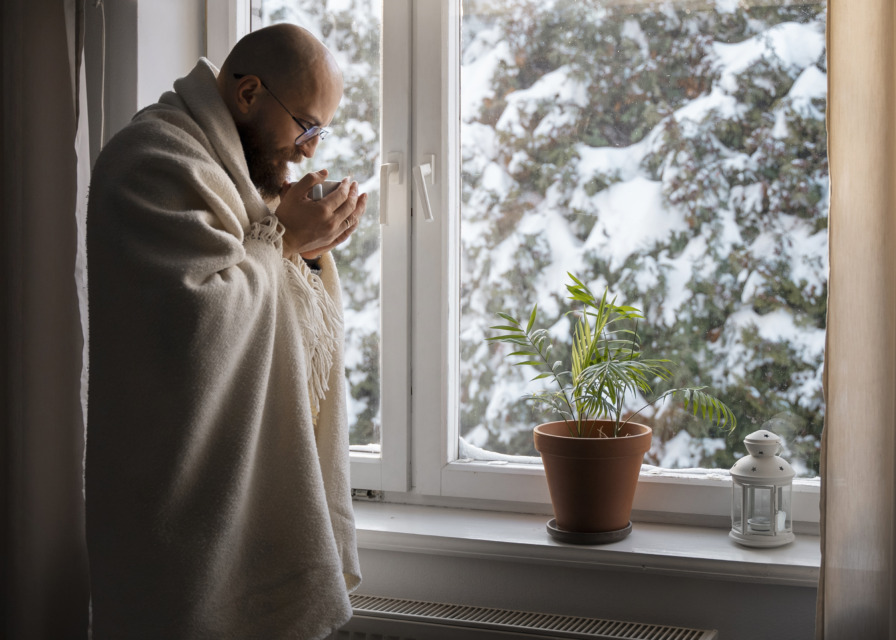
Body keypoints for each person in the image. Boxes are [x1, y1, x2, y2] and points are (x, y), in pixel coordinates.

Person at [85, 24, 365, 640]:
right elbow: (198, 326)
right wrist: (285, 238)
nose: (309, 150)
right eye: (307, 127)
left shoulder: (234, 172)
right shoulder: (152, 161)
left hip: (239, 507)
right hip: (173, 508)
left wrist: (308, 242)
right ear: (247, 94)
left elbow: (278, 301)